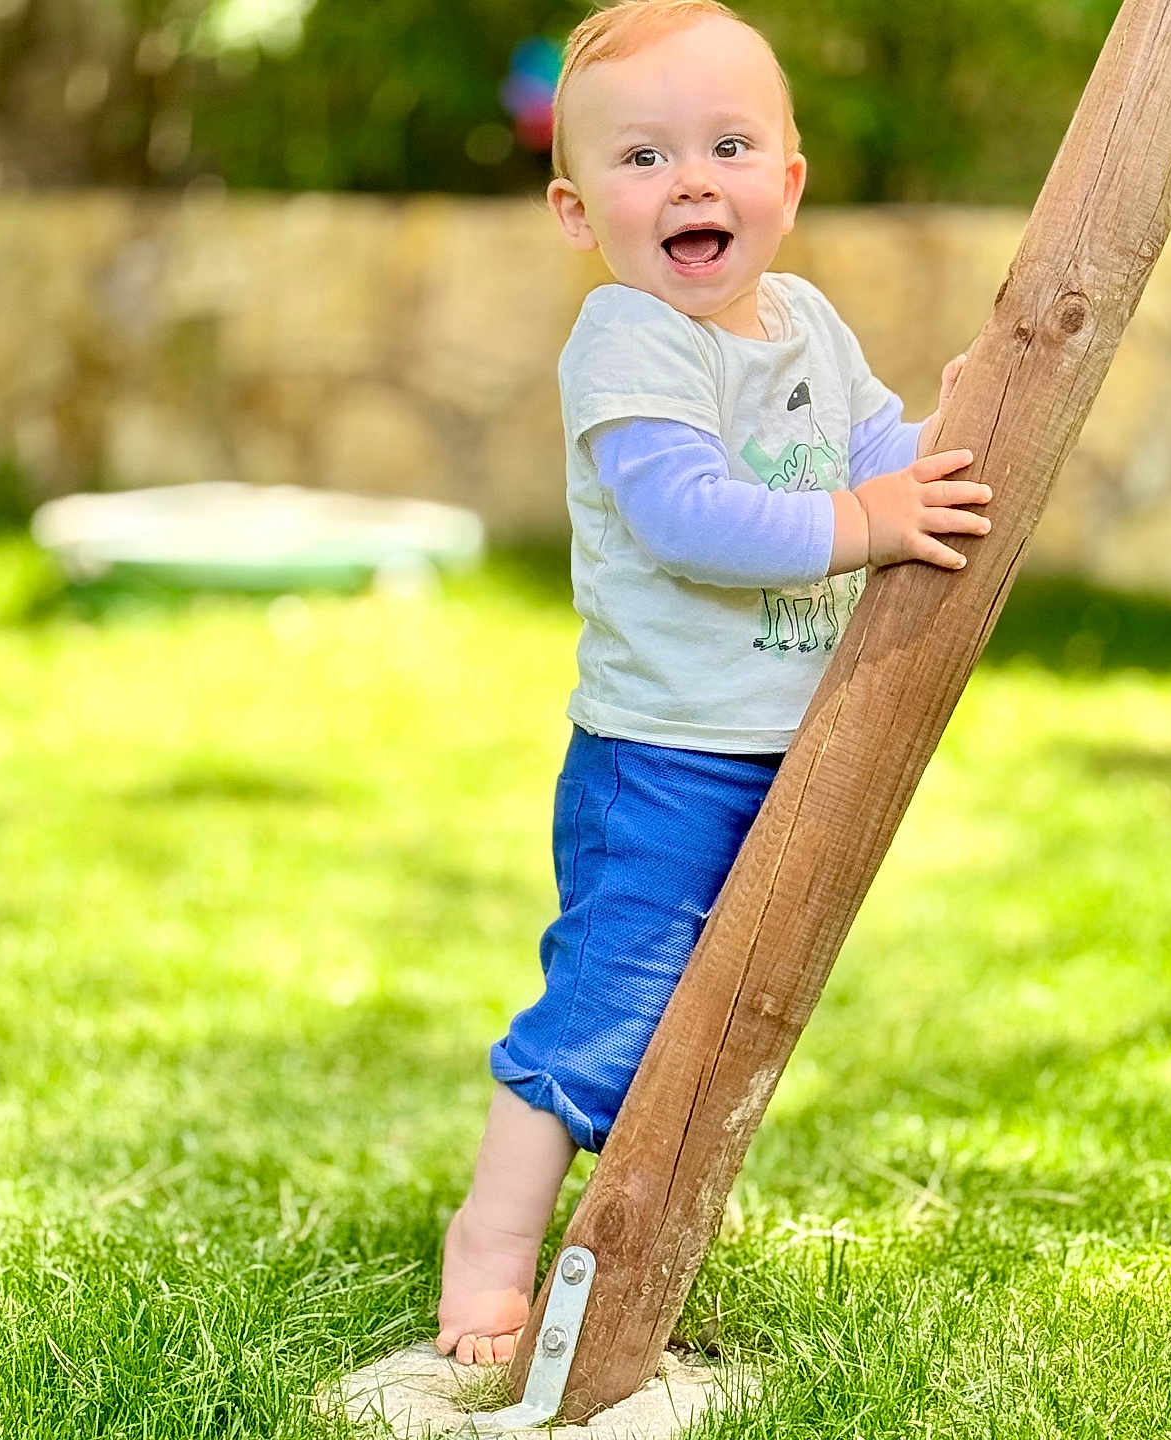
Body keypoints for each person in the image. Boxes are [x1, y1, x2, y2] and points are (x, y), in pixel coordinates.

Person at [436, 0, 990, 1366]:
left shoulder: (806, 322)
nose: (692, 181)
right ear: (579, 214)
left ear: (786, 183)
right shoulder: (628, 342)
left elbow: (881, 456)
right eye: (643, 158)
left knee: (728, 1010)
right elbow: (690, 518)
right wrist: (865, 522)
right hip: (662, 759)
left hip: (785, 745)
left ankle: (646, 1224)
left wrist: (965, 426)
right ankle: (490, 1250)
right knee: (610, 1010)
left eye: (728, 147)